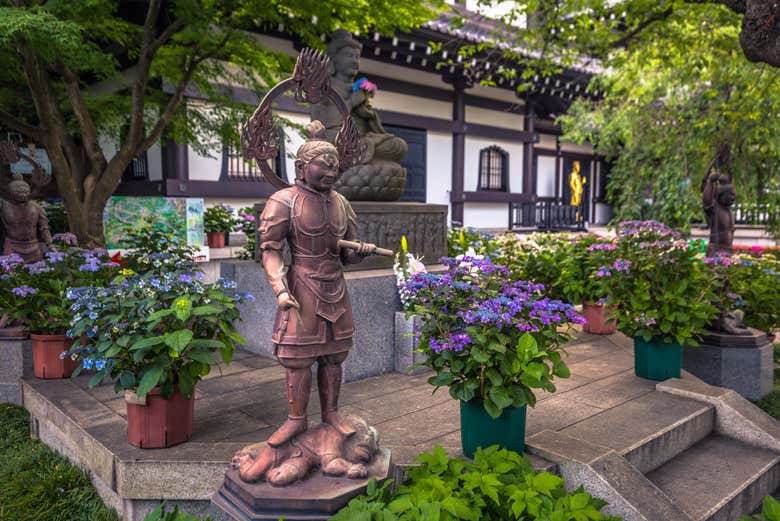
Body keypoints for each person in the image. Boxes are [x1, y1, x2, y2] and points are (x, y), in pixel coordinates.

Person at [257, 122, 377, 448]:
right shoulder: (284, 201)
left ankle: (331, 413)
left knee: (334, 356)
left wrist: (359, 252)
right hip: (301, 285)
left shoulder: (342, 203)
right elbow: (270, 250)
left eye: (335, 167)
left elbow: (347, 255)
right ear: (301, 167)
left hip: (335, 285)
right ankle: (296, 418)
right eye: (323, 165)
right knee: (297, 357)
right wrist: (280, 289)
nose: (331, 172)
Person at [310, 30, 406, 165]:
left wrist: (367, 112)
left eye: (357, 57)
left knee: (398, 145)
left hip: (361, 139)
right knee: (335, 147)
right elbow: (326, 123)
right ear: (334, 60)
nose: (355, 61)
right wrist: (352, 102)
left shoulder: (357, 87)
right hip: (336, 138)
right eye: (349, 56)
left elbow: (370, 122)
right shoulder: (324, 87)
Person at [0, 174, 51, 262]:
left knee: (38, 268)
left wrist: (49, 244)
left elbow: (44, 228)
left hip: (33, 246)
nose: (22, 195)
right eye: (18, 192)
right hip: (12, 245)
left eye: (25, 192)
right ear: (10, 193)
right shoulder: (4, 206)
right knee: (10, 269)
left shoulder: (36, 207)